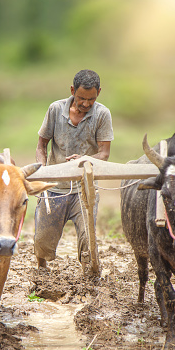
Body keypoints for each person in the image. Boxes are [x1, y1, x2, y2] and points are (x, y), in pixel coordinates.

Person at [34, 69, 114, 270]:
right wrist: (43, 170)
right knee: (43, 240)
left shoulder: (102, 114)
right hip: (54, 187)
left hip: (84, 188)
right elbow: (41, 145)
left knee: (89, 239)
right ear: (72, 91)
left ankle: (89, 273)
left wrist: (85, 159)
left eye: (91, 99)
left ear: (99, 93)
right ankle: (41, 270)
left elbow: (104, 154)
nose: (86, 104)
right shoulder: (55, 109)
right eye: (81, 98)